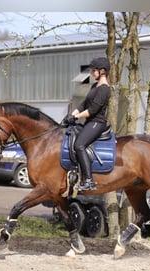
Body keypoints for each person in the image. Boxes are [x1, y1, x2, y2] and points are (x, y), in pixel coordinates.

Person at [63, 56, 111, 191]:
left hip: (97, 122)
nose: (91, 72)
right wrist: (71, 115)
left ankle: (89, 180)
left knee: (79, 145)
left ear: (102, 71)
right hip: (90, 121)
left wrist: (76, 117)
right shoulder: (95, 86)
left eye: (94, 70)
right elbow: (84, 104)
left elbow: (92, 110)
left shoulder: (104, 89)